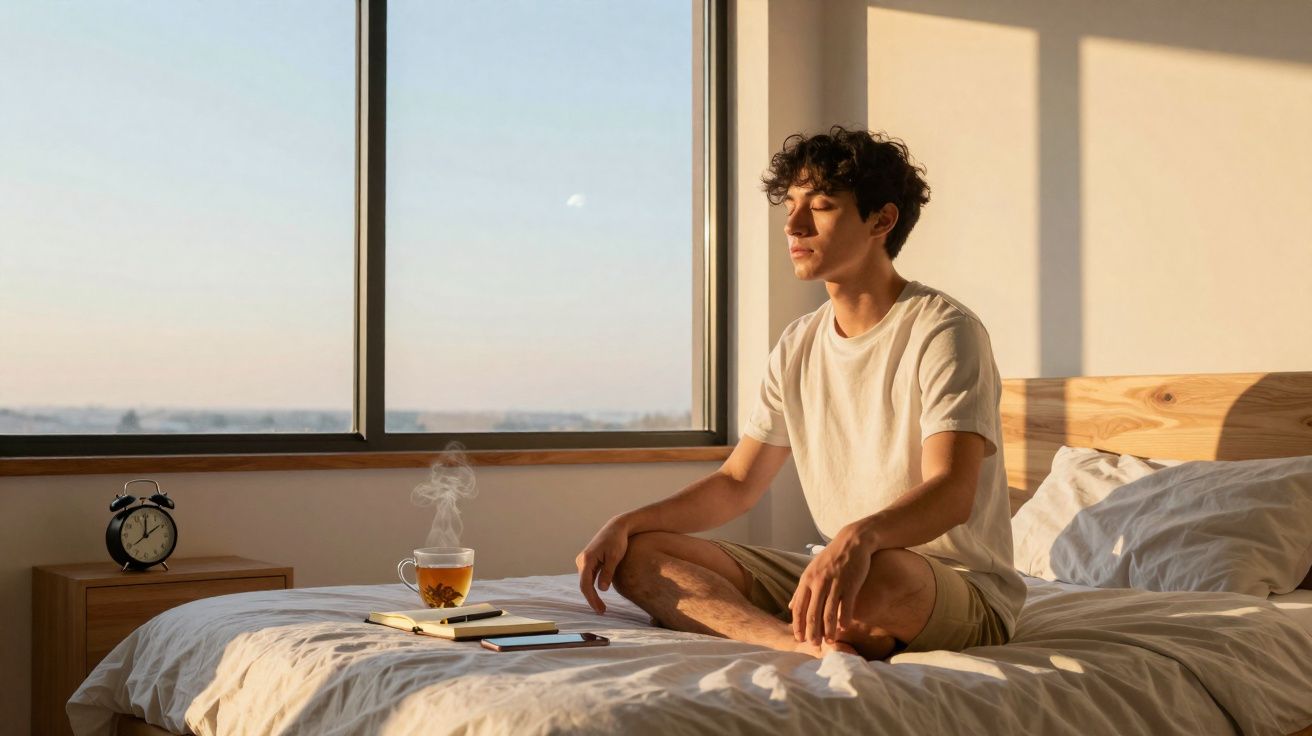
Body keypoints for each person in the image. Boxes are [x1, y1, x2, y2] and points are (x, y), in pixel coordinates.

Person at [574, 126, 1025, 660]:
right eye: (790, 204)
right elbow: (738, 482)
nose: (793, 224)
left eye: (823, 205)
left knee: (878, 573)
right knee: (640, 557)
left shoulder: (944, 329)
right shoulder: (798, 342)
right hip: (839, 563)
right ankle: (794, 641)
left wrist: (857, 539)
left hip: (948, 582)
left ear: (882, 220)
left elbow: (952, 491)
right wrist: (626, 523)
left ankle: (817, 621)